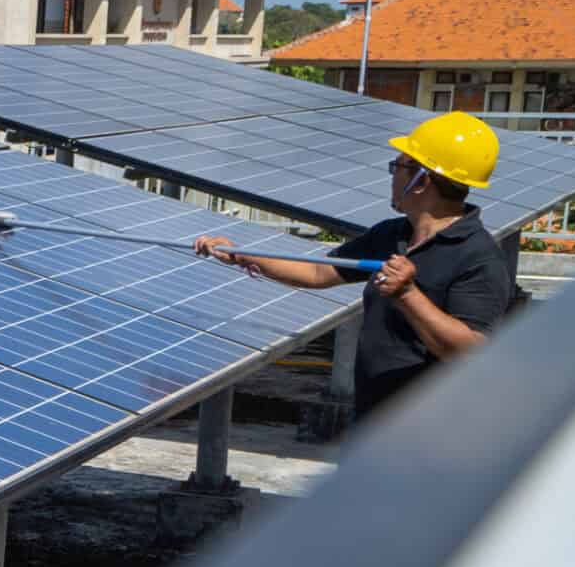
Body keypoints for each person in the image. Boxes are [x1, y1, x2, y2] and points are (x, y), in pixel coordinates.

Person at [192, 110, 512, 420]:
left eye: (398, 166)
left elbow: (470, 352)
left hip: (429, 434)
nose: (392, 175)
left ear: (420, 180)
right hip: (374, 422)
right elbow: (318, 271)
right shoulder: (391, 234)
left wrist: (408, 294)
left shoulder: (478, 257)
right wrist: (242, 254)